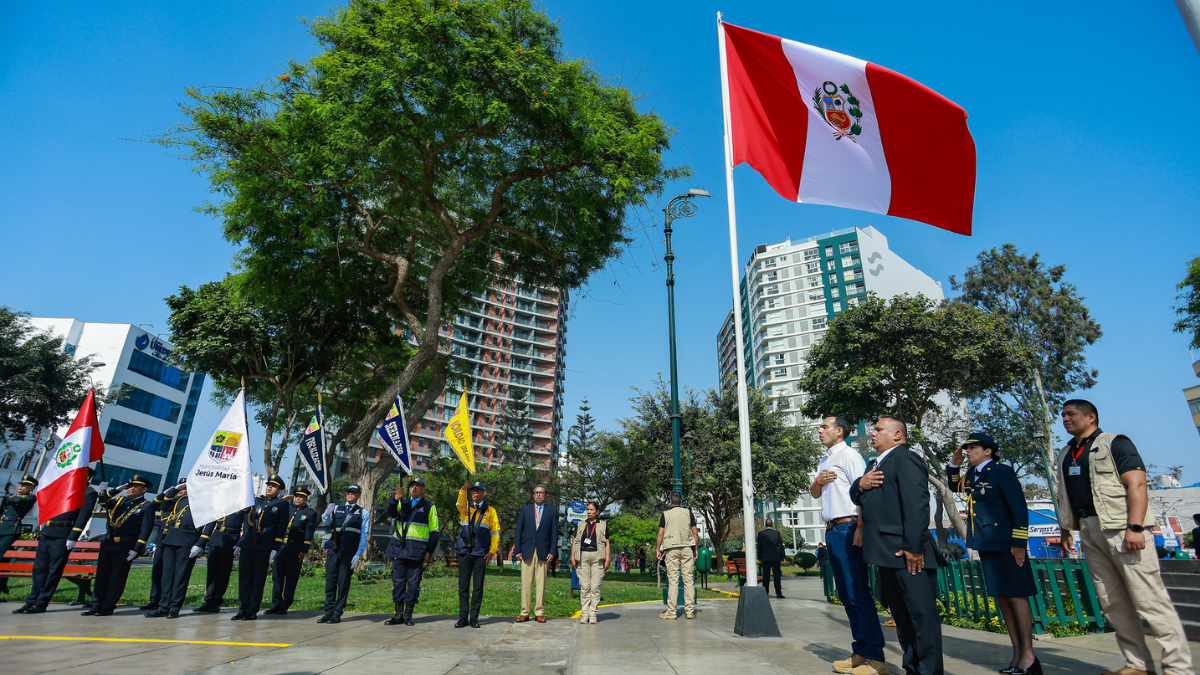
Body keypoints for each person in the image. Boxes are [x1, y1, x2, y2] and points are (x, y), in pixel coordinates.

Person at [1055, 400, 1193, 675]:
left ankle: (1179, 668)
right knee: (1112, 602)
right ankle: (1138, 664)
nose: (1065, 419)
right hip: (1088, 529)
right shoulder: (1066, 453)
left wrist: (1136, 527)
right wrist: (1065, 530)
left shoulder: (1115, 443)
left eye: (1071, 414)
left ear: (1091, 417)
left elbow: (1137, 484)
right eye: (1063, 416)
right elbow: (1065, 495)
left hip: (1122, 528)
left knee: (1149, 600)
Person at [851, 416, 943, 675]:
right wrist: (860, 484)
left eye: (879, 429)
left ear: (897, 435)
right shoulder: (874, 464)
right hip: (885, 553)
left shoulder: (905, 458)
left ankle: (929, 671)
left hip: (908, 552)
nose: (872, 433)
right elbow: (856, 494)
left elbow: (917, 504)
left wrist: (914, 547)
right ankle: (912, 668)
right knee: (902, 618)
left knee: (921, 618)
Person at [947, 433, 1039, 675]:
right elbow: (954, 486)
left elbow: (1018, 508)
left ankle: (1029, 656)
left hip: (1007, 544)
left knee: (1017, 596)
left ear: (988, 451)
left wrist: (1019, 542)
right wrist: (954, 464)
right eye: (966, 448)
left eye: (973, 447)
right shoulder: (974, 475)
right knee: (1002, 597)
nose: (968, 451)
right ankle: (1017, 655)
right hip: (987, 544)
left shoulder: (1002, 472)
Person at [813, 414, 887, 675]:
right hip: (832, 530)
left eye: (825, 427)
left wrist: (861, 526)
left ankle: (875, 658)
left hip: (848, 526)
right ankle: (860, 651)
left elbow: (863, 491)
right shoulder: (826, 459)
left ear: (840, 431)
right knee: (845, 595)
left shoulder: (849, 456)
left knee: (858, 593)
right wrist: (818, 481)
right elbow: (815, 491)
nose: (820, 430)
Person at [15, 468, 100, 614]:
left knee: (53, 571)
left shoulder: (88, 492)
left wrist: (74, 536)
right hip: (47, 531)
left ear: (87, 477)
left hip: (63, 534)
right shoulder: (64, 488)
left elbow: (83, 515)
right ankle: (31, 601)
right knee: (39, 570)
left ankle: (41, 603)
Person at [82, 475, 155, 617]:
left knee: (117, 577)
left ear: (144, 489)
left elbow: (146, 530)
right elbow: (103, 502)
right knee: (102, 575)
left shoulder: (147, 505)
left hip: (125, 544)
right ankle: (96, 604)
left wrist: (137, 548)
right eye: (129, 486)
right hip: (108, 542)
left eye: (135, 486)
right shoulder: (120, 501)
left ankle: (108, 605)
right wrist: (114, 489)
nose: (131, 488)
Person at [383, 476, 439, 626]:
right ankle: (398, 615)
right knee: (398, 582)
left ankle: (408, 615)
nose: (414, 488)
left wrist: (430, 550)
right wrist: (395, 499)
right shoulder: (402, 503)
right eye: (412, 485)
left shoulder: (429, 507)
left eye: (417, 486)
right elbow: (392, 513)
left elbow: (434, 531)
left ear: (423, 489)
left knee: (413, 583)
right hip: (399, 549)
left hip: (417, 551)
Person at [233, 474, 289, 621]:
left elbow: (281, 528)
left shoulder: (282, 504)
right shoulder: (256, 501)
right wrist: (241, 542)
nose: (270, 487)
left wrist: (275, 548)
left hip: (265, 544)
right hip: (248, 543)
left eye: (274, 486)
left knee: (258, 579)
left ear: (280, 490)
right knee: (244, 577)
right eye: (269, 485)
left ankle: (252, 609)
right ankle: (242, 608)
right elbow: (246, 518)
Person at [146, 479, 204, 619]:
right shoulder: (176, 501)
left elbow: (208, 522)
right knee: (167, 576)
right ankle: (162, 606)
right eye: (180, 488)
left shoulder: (200, 502)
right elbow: (163, 505)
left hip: (187, 539)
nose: (181, 491)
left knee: (180, 576)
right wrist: (173, 489)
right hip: (171, 539)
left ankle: (174, 607)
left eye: (184, 488)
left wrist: (201, 542)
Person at [319, 483, 369, 624]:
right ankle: (328, 612)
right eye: (349, 492)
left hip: (349, 551)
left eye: (353, 492)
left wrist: (359, 552)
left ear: (359, 495)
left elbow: (364, 534)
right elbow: (326, 521)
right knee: (330, 582)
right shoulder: (336, 508)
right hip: (333, 549)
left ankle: (337, 613)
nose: (350, 494)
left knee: (343, 582)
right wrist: (327, 513)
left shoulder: (362, 512)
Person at [455, 480, 499, 628]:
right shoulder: (465, 507)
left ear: (484, 493)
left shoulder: (490, 511)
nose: (475, 493)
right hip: (464, 551)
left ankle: (474, 618)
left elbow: (495, 532)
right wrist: (463, 489)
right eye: (473, 490)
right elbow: (459, 503)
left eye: (478, 491)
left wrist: (492, 551)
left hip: (480, 553)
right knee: (463, 586)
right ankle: (462, 618)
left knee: (478, 587)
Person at [266, 487, 317, 615]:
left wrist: (304, 550)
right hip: (282, 547)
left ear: (306, 498)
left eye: (301, 496)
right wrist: (282, 499)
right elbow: (274, 510)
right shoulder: (287, 508)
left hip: (295, 548)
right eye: (296, 496)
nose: (298, 498)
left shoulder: (310, 513)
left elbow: (308, 533)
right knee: (277, 577)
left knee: (291, 578)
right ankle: (275, 604)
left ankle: (285, 604)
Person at [514, 484, 559, 623]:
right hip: (527, 550)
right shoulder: (525, 509)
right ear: (533, 495)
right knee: (526, 583)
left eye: (541, 493)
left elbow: (554, 533)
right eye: (536, 493)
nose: (539, 495)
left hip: (544, 552)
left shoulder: (552, 511)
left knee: (541, 583)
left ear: (545, 495)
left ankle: (539, 612)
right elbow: (518, 531)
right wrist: (517, 550)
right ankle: (524, 612)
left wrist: (552, 551)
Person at [656, 492, 699, 620]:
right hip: (686, 547)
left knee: (673, 580)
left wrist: (658, 549)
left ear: (670, 502)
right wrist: (695, 549)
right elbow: (695, 533)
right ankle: (690, 611)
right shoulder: (688, 513)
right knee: (688, 580)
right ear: (681, 502)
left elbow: (660, 534)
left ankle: (671, 611)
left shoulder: (666, 514)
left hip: (671, 548)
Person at [194, 509, 244, 613]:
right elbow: (211, 522)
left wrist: (239, 543)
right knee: (211, 573)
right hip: (216, 539)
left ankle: (216, 602)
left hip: (231, 539)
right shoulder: (220, 505)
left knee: (223, 573)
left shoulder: (242, 505)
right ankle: (208, 600)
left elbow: (247, 526)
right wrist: (204, 540)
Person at [569, 501, 610, 624]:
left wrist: (607, 559)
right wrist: (572, 556)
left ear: (597, 512)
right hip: (583, 557)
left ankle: (593, 614)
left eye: (591, 510)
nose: (589, 512)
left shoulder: (603, 525)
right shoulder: (581, 524)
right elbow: (575, 541)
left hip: (598, 557)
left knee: (595, 587)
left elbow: (607, 543)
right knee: (585, 586)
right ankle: (584, 613)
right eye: (587, 509)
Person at [139, 484, 177, 612]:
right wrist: (164, 494)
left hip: (173, 541)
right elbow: (152, 506)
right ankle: (154, 600)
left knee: (168, 574)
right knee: (156, 572)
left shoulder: (182, 505)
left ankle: (166, 600)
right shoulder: (166, 504)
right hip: (161, 540)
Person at [0, 475, 38, 601]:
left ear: (31, 487)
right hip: (2, 526)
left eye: (25, 485)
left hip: (11, 530)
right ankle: (2, 585)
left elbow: (18, 501)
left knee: (1, 558)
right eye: (21, 484)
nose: (21, 486)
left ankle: (1, 586)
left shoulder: (30, 498)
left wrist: (7, 496)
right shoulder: (11, 498)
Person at [756, 518, 786, 599]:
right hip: (776, 557)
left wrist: (759, 557)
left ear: (765, 525)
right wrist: (783, 556)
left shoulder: (761, 534)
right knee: (777, 576)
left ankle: (765, 592)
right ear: (772, 525)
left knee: (766, 576)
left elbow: (759, 546)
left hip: (765, 557)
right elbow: (780, 546)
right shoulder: (776, 533)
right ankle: (778, 592)